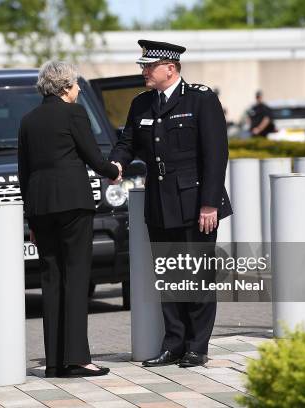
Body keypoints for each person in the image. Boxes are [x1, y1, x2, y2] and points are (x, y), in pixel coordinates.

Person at [109, 40, 232, 368]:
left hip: (195, 203)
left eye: (148, 66)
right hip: (160, 203)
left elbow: (216, 154)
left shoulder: (201, 99)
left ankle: (197, 346)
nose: (144, 71)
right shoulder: (141, 104)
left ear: (171, 68)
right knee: (170, 275)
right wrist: (117, 165)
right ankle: (174, 343)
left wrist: (210, 203)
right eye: (143, 66)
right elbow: (127, 143)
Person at [18, 61, 120, 378]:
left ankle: (54, 363)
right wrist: (114, 171)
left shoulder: (28, 120)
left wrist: (31, 218)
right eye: (75, 85)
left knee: (51, 281)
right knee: (76, 279)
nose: (77, 90)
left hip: (41, 208)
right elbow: (92, 155)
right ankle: (77, 359)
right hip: (73, 206)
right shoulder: (73, 113)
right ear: (64, 88)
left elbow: (24, 173)